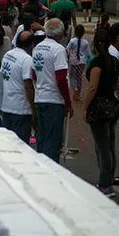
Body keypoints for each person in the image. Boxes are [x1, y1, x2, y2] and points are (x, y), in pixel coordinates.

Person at [27, 18, 73, 163]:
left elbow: (33, 74)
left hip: (40, 98)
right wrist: (68, 102)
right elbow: (61, 78)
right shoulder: (59, 50)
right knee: (53, 143)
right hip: (54, 100)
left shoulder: (37, 48)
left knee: (41, 138)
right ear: (60, 33)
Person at [84, 29, 119, 197]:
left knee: (102, 146)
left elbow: (92, 88)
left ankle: (105, 184)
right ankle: (108, 179)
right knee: (110, 144)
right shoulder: (114, 61)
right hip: (112, 105)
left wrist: (85, 107)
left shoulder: (96, 64)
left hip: (99, 107)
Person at [0, 30, 35, 142]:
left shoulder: (8, 55)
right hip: (21, 109)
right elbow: (28, 85)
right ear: (31, 44)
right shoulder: (27, 60)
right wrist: (33, 107)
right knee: (20, 145)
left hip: (6, 106)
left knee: (7, 143)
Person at [66, 24, 90, 101]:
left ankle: (75, 89)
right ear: (83, 33)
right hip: (82, 62)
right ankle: (78, 93)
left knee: (72, 76)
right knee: (79, 77)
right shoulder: (85, 42)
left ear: (75, 32)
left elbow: (67, 49)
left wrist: (69, 55)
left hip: (73, 61)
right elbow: (88, 54)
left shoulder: (72, 41)